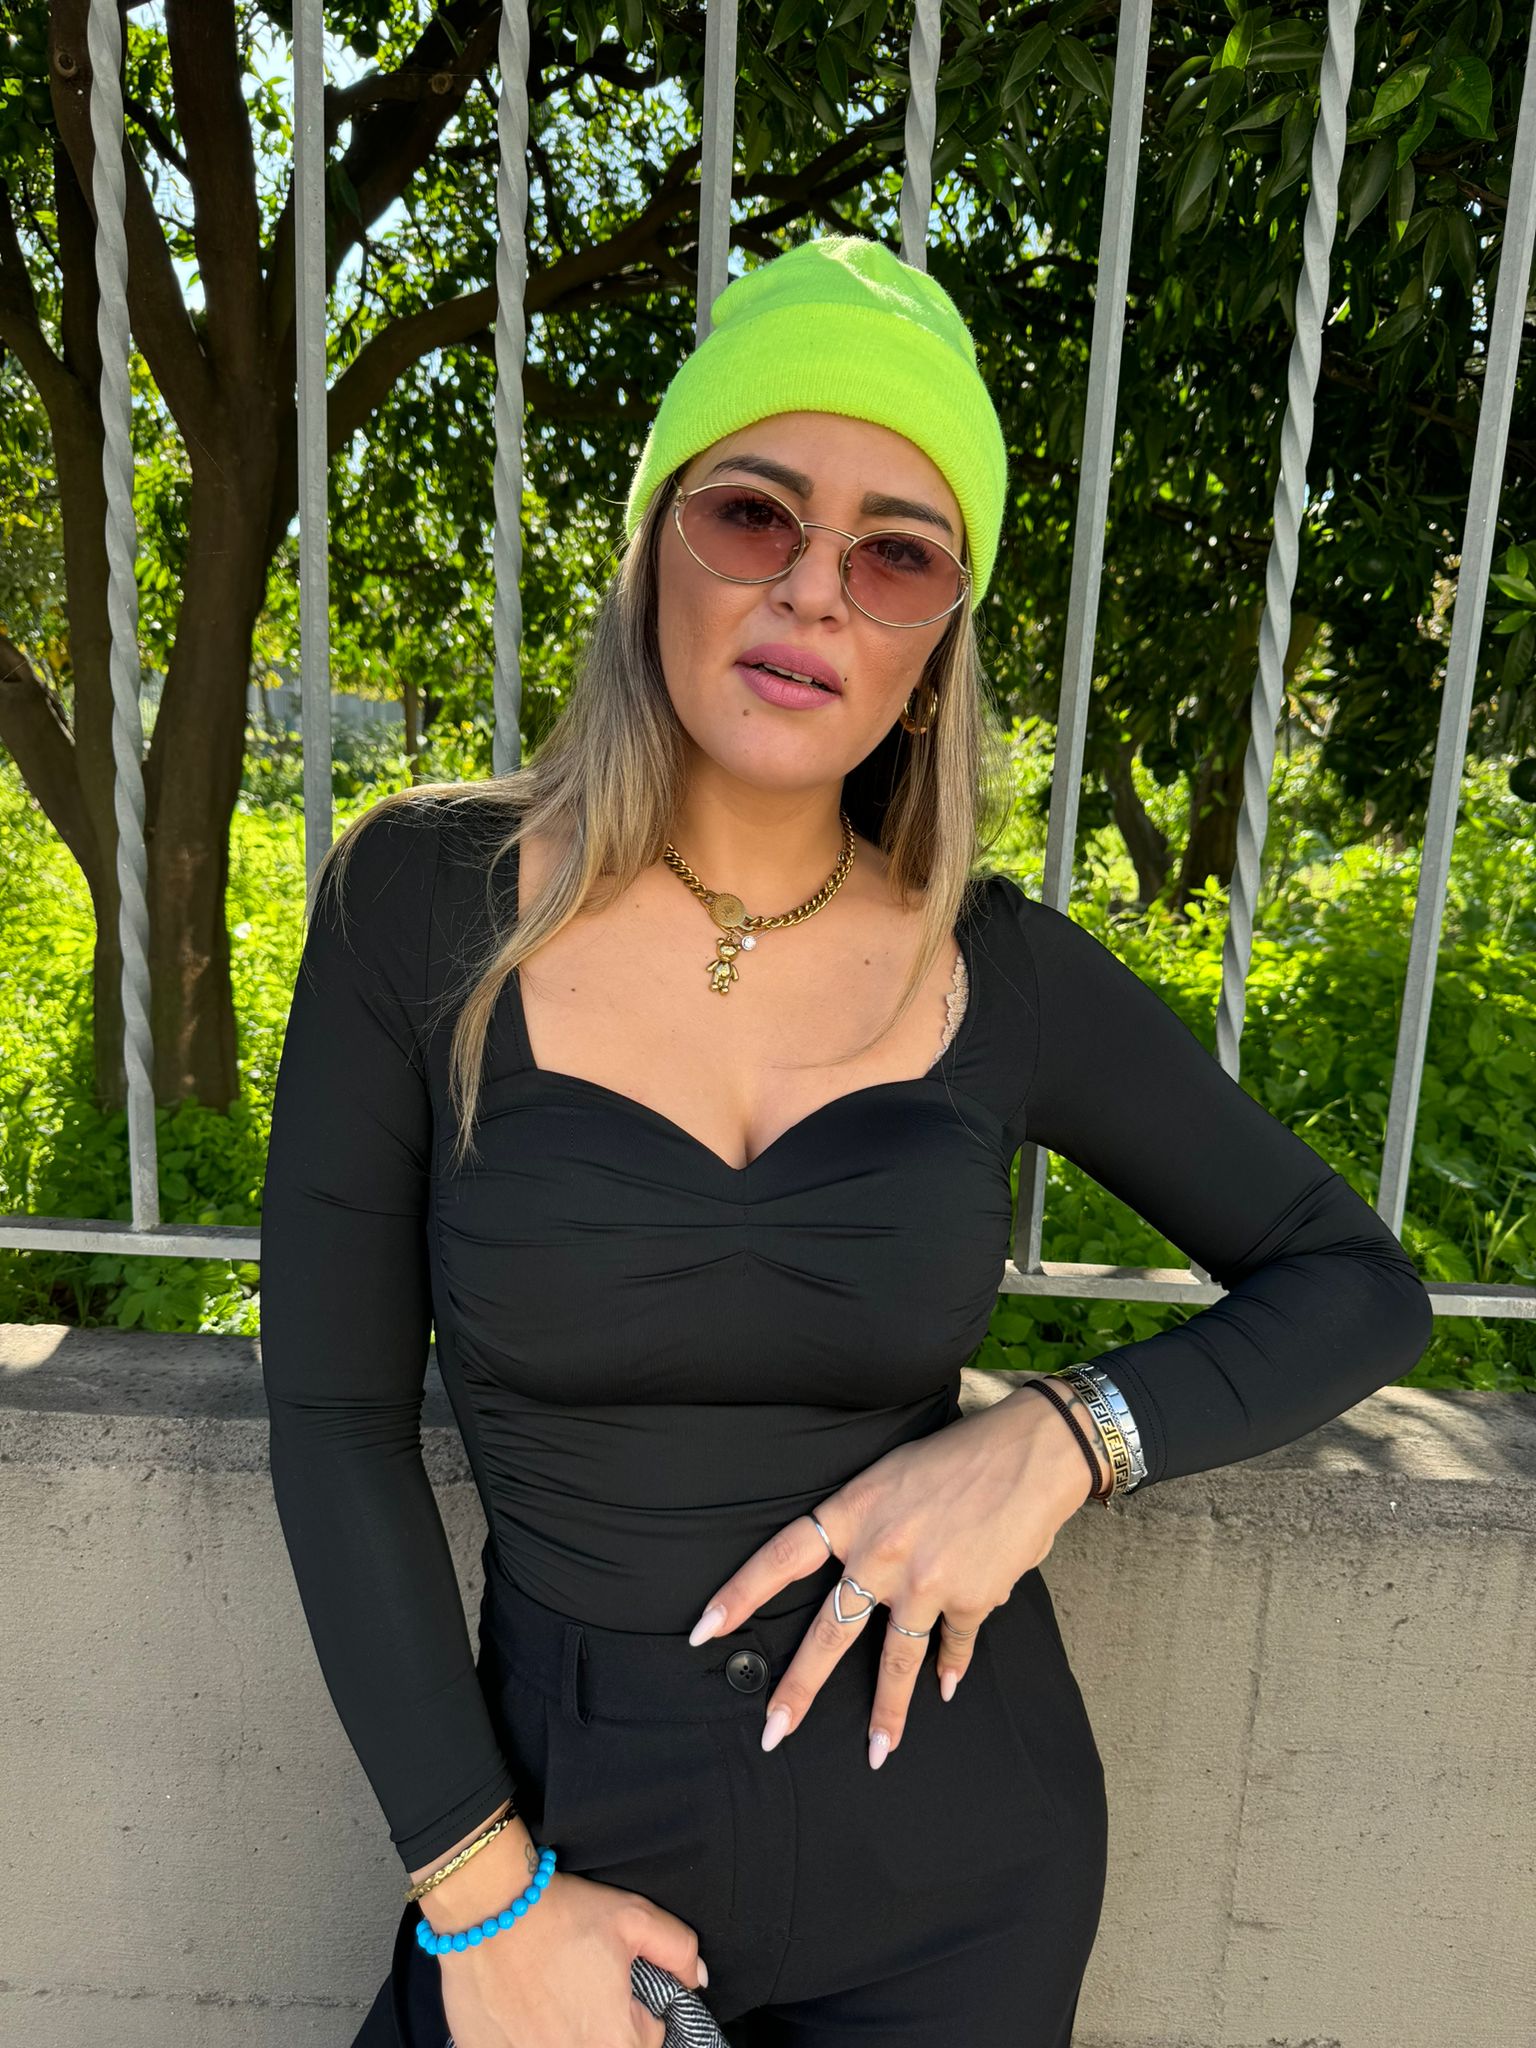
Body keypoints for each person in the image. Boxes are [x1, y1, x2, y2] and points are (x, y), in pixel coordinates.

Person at [258, 235, 1434, 2048]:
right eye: (753, 515)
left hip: (959, 1864)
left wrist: (1066, 1438)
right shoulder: (422, 902)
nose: (815, 588)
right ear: (656, 550)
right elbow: (335, 1421)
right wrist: (479, 1891)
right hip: (561, 1831)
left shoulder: (999, 969)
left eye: (897, 554)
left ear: (936, 639)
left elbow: (1357, 1283)